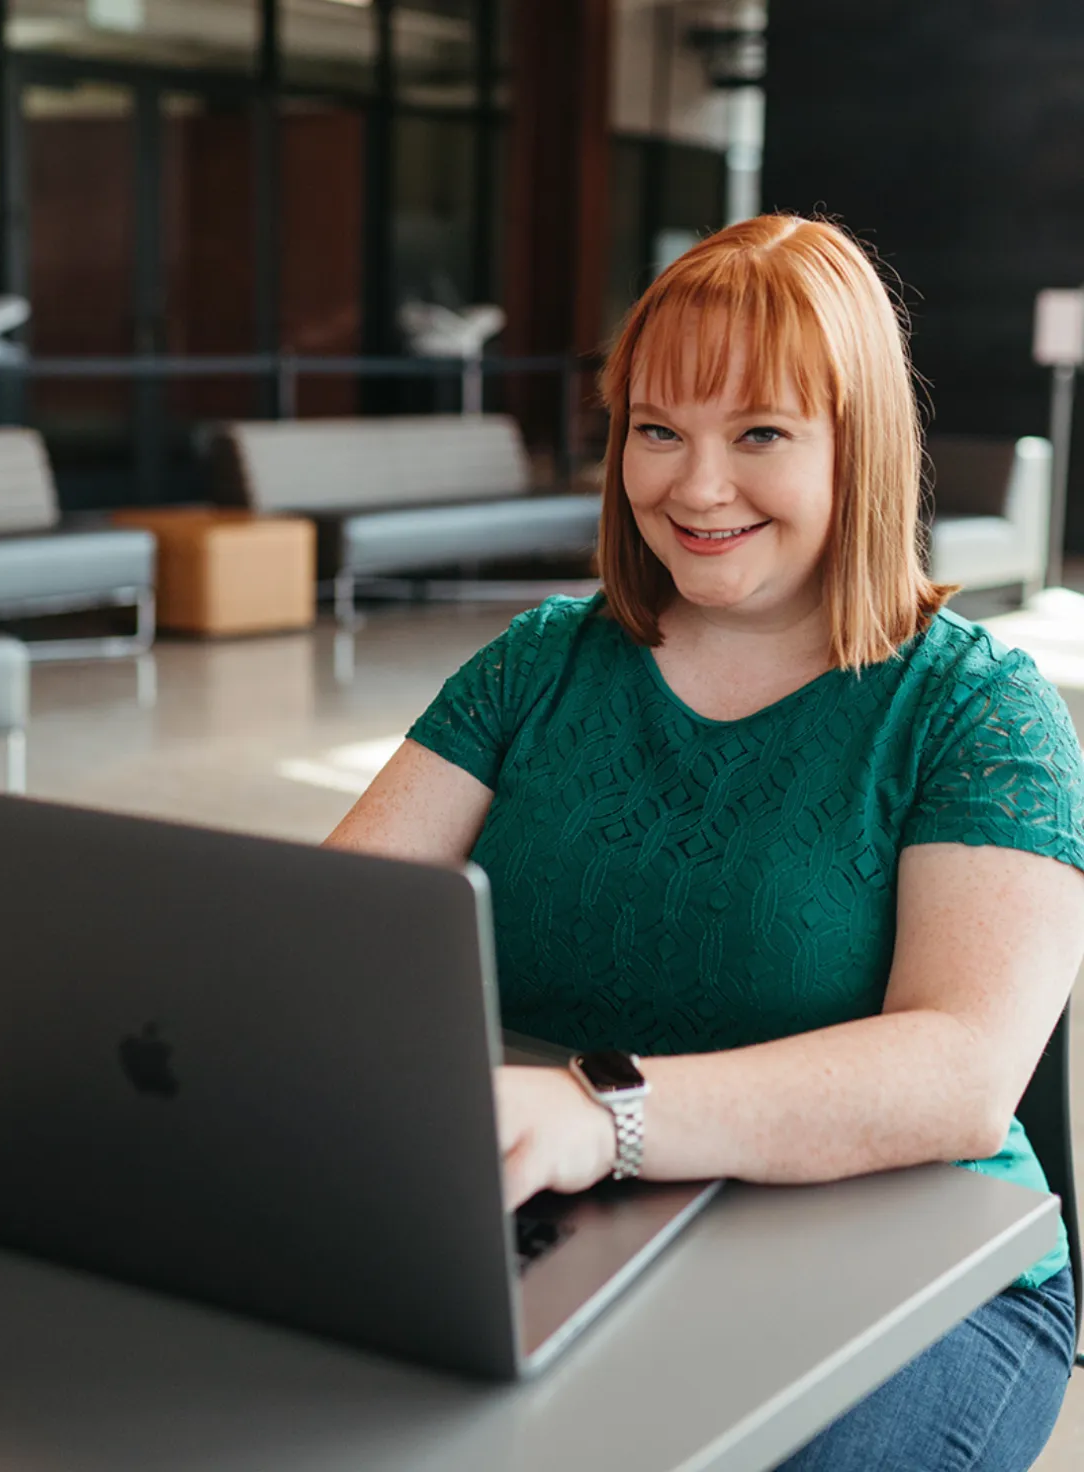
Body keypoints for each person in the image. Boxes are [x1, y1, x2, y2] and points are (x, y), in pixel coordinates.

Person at [325, 214, 1084, 1469]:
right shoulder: (541, 663)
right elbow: (331, 930)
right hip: (577, 1211)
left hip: (915, 1259)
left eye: (761, 434)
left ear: (863, 446)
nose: (696, 484)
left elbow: (961, 1071)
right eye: (657, 429)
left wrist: (603, 1110)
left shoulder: (973, 709)